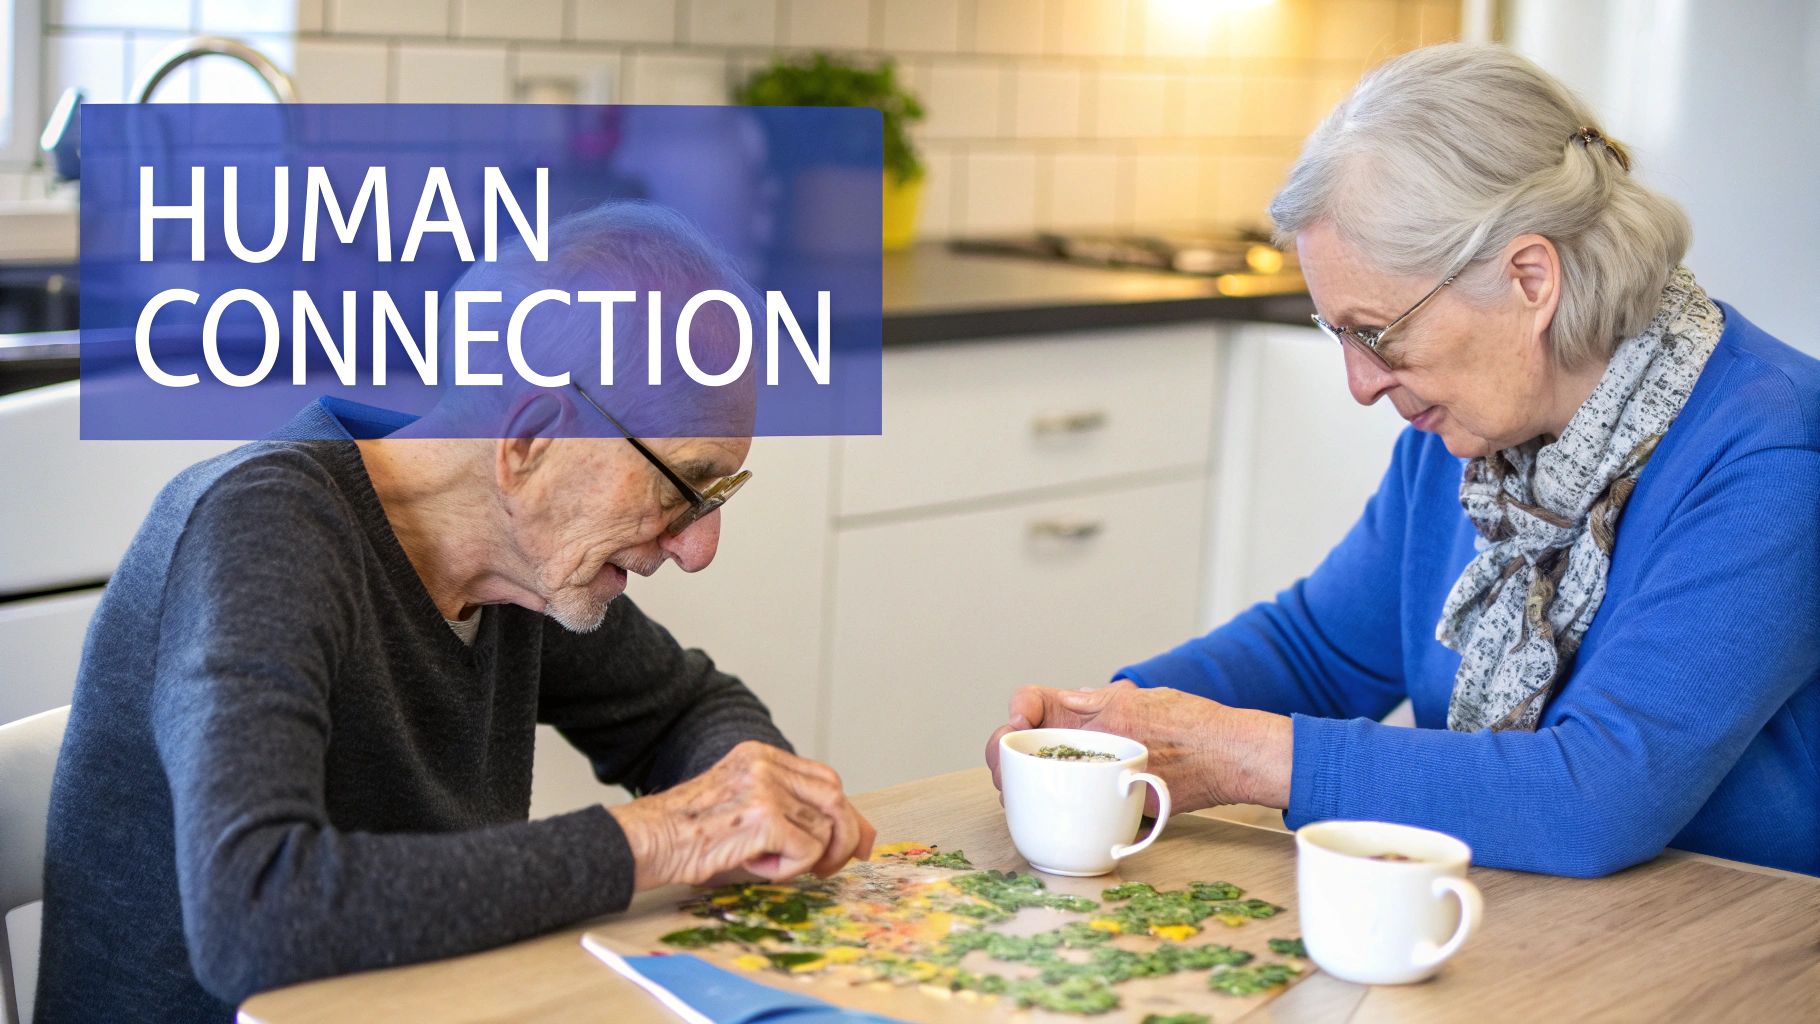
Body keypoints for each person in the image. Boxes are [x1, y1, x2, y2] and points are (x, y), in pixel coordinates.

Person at [988, 43, 1820, 878]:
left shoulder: (1772, 450)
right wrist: (1100, 726)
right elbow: (1318, 650)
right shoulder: (1469, 433)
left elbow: (1594, 797)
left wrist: (1243, 755)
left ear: (1531, 279)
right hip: (1512, 917)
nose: (1359, 383)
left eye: (1377, 332)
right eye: (1337, 333)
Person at [35, 203, 875, 1022]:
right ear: (533, 441)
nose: (699, 547)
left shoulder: (522, 560)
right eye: (684, 484)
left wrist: (758, 810)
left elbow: (684, 710)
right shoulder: (261, 528)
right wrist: (662, 837)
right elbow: (257, 912)